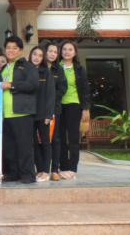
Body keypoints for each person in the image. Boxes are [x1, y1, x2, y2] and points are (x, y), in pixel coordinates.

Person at [0, 36, 38, 183]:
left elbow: (33, 85)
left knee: (24, 146)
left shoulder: (27, 66)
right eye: (8, 48)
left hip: (22, 112)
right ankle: (13, 173)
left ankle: (28, 175)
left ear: (20, 50)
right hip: (6, 114)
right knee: (9, 147)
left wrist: (12, 85)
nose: (11, 50)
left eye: (14, 48)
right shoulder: (4, 68)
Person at [58, 40, 91, 180]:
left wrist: (85, 108)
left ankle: (72, 168)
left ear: (75, 52)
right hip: (58, 105)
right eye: (64, 49)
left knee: (73, 138)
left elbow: (85, 89)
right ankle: (63, 167)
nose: (67, 52)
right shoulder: (55, 67)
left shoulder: (79, 69)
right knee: (60, 138)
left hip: (74, 105)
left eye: (70, 49)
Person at [29, 46, 55, 182]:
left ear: (43, 58)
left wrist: (49, 114)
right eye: (34, 54)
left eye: (40, 55)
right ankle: (39, 170)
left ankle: (46, 171)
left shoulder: (46, 73)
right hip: (28, 113)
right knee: (32, 143)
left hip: (43, 113)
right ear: (30, 55)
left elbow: (51, 94)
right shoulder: (26, 71)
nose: (36, 57)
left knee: (45, 142)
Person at [44, 42, 67, 182]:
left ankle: (55, 169)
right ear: (45, 52)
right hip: (39, 109)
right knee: (41, 139)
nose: (52, 54)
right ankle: (42, 169)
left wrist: (50, 98)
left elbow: (63, 88)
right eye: (50, 51)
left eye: (55, 52)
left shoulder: (59, 69)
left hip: (54, 108)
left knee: (55, 139)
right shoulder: (39, 67)